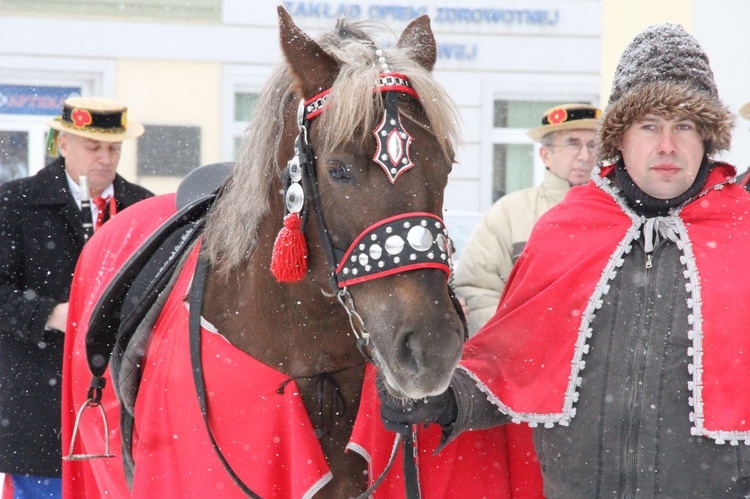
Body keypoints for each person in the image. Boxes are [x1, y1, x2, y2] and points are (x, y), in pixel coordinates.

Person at [378, 24, 750, 497]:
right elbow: (511, 362)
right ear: (620, 137)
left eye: (685, 126)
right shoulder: (564, 230)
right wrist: (446, 401)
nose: (667, 147)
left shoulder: (744, 233)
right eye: (650, 126)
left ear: (707, 138)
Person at [0, 97, 153, 498]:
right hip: (40, 401)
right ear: (63, 143)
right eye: (93, 146)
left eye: (114, 148)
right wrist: (51, 314)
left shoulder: (143, 206)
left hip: (119, 402)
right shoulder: (15, 203)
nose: (105, 158)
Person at [454, 103, 600, 335]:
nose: (585, 156)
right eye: (573, 143)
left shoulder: (620, 215)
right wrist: (522, 337)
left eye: (593, 145)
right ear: (545, 155)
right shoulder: (510, 213)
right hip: (528, 363)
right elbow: (477, 290)